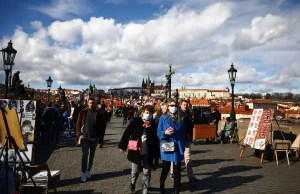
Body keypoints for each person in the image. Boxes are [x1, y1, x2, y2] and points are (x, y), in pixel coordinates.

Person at [118, 105, 159, 194]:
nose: (148, 115)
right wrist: (122, 146)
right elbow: (127, 133)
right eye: (147, 113)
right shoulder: (136, 121)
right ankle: (133, 182)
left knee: (147, 172)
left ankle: (145, 191)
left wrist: (156, 154)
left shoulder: (153, 124)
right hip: (136, 151)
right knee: (135, 171)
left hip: (148, 152)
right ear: (142, 113)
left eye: (150, 113)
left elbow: (155, 140)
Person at [157, 99, 185, 194]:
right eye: (172, 105)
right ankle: (161, 184)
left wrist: (183, 145)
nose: (174, 107)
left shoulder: (180, 118)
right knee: (166, 168)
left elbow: (183, 133)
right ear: (168, 107)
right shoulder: (163, 118)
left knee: (177, 170)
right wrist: (165, 132)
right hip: (167, 144)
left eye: (175, 105)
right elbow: (158, 132)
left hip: (177, 146)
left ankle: (177, 190)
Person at [76, 97, 107, 182]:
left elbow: (103, 127)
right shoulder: (83, 112)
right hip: (85, 136)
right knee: (85, 153)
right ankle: (83, 173)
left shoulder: (99, 113)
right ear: (87, 103)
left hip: (95, 137)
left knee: (91, 155)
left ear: (96, 104)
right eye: (90, 102)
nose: (91, 104)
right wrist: (79, 134)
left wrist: (101, 140)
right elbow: (78, 123)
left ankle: (88, 171)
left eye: (93, 103)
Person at [176, 100, 198, 182]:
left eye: (187, 105)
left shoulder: (189, 113)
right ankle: (172, 172)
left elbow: (191, 126)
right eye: (184, 105)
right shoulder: (177, 114)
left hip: (187, 138)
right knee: (176, 157)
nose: (186, 106)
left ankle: (191, 176)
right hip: (179, 138)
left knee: (188, 157)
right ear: (180, 105)